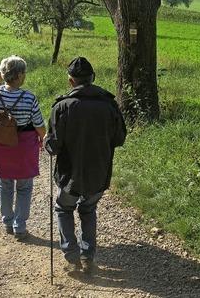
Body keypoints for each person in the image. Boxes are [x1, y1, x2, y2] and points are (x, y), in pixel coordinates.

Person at [45, 57, 126, 273]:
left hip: (69, 175)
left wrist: (47, 141)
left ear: (71, 82)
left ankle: (72, 257)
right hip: (99, 173)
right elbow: (119, 139)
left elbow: (53, 146)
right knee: (88, 209)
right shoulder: (110, 105)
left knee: (63, 208)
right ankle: (88, 256)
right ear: (93, 79)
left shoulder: (62, 107)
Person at [0, 55, 46, 241]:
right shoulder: (29, 97)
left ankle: (7, 222)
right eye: (24, 73)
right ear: (19, 75)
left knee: (4, 185)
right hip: (24, 146)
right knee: (24, 187)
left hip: (1, 144)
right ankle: (19, 226)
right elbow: (38, 124)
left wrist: (4, 70)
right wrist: (43, 137)